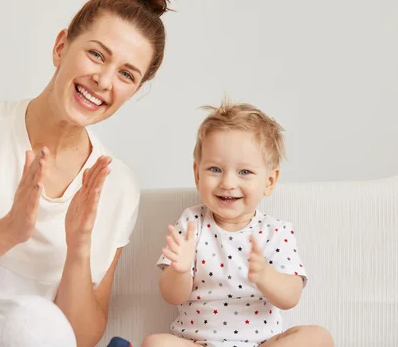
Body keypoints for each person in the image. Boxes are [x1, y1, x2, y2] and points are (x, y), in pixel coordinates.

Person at [0, 0, 175, 347]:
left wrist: (79, 246)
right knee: (34, 320)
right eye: (97, 54)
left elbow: (81, 339)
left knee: (40, 325)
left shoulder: (118, 186)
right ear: (61, 46)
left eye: (126, 74)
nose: (102, 80)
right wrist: (9, 231)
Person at [142, 100, 334, 347]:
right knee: (155, 344)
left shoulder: (276, 232)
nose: (228, 183)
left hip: (263, 343)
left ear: (269, 181)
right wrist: (179, 271)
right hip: (199, 343)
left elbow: (291, 296)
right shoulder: (192, 223)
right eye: (215, 169)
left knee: (318, 337)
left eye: (244, 172)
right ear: (197, 173)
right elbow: (171, 296)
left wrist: (266, 276)